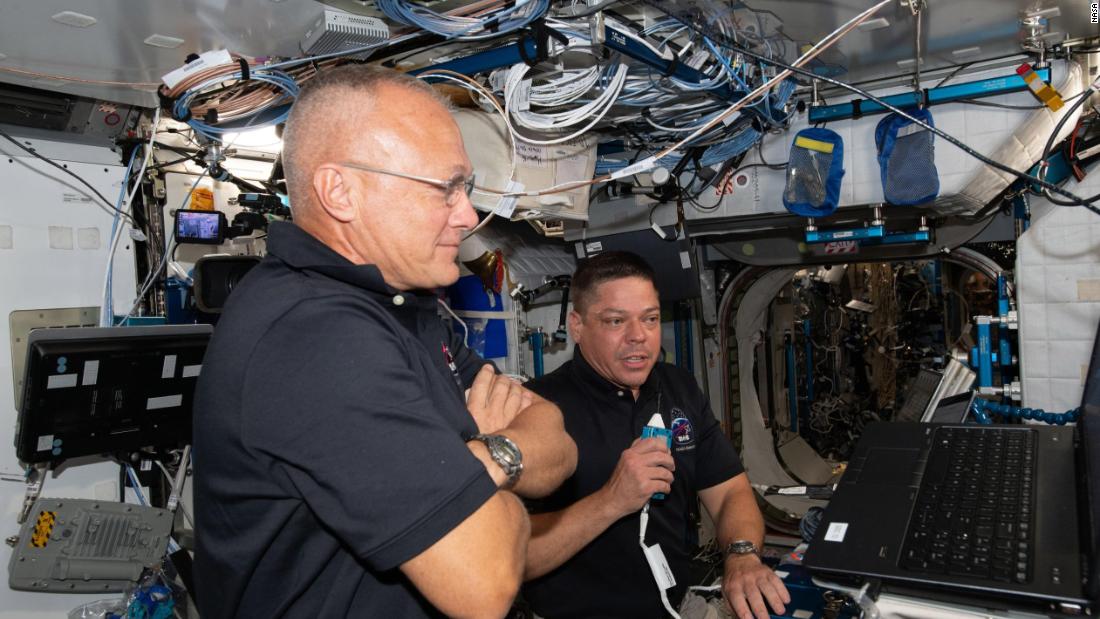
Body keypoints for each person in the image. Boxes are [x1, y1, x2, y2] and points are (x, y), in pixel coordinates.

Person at [193, 65, 577, 619]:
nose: (467, 216)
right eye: (444, 188)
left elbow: (560, 441)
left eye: (465, 189)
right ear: (340, 192)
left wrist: (489, 455)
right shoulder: (314, 337)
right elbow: (484, 583)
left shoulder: (403, 305)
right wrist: (499, 455)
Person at [522, 251, 790, 619]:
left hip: (675, 609)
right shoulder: (537, 409)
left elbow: (729, 490)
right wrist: (612, 501)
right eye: (616, 321)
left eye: (650, 319)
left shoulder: (678, 387)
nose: (639, 337)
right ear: (577, 325)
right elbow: (513, 557)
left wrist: (742, 556)